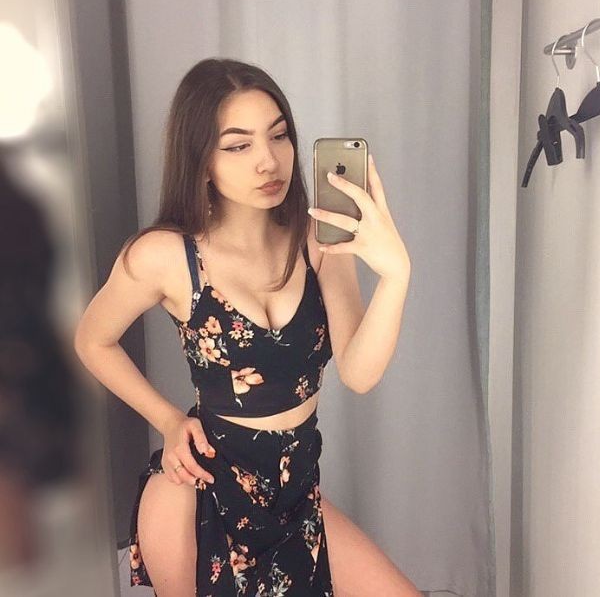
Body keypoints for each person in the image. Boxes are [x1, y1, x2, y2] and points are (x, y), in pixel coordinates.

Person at [74, 58, 416, 596]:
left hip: (296, 494)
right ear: (201, 160)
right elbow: (93, 340)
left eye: (278, 136)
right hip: (199, 491)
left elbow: (359, 372)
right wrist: (167, 420)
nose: (268, 161)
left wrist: (396, 275)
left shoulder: (318, 241)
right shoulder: (165, 255)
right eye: (238, 145)